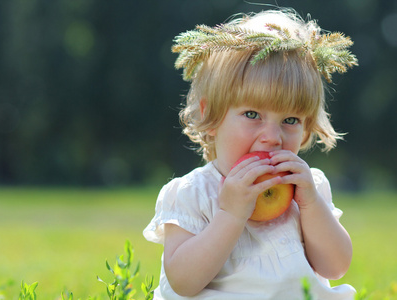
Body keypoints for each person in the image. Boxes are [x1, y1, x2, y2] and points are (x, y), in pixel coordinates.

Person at [143, 8, 358, 300]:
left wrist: (310, 203)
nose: (272, 137)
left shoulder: (307, 189)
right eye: (252, 114)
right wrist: (230, 214)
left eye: (290, 120)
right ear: (212, 115)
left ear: (307, 126)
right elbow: (182, 282)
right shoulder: (195, 194)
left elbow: (335, 267)